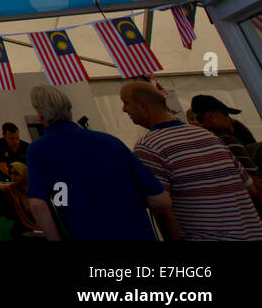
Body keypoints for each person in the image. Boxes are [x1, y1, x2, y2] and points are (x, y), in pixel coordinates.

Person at [121, 81, 262, 240]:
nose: (124, 110)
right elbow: (252, 189)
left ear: (142, 105)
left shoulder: (148, 147)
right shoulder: (211, 137)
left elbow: (162, 208)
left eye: (126, 103)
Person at [24, 86, 168, 241]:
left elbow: (38, 205)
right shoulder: (110, 141)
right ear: (69, 110)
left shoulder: (39, 150)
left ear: (40, 116)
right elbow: (159, 198)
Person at [190, 94, 261, 181]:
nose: (230, 119)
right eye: (225, 114)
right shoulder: (224, 140)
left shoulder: (192, 143)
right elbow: (255, 182)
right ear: (210, 116)